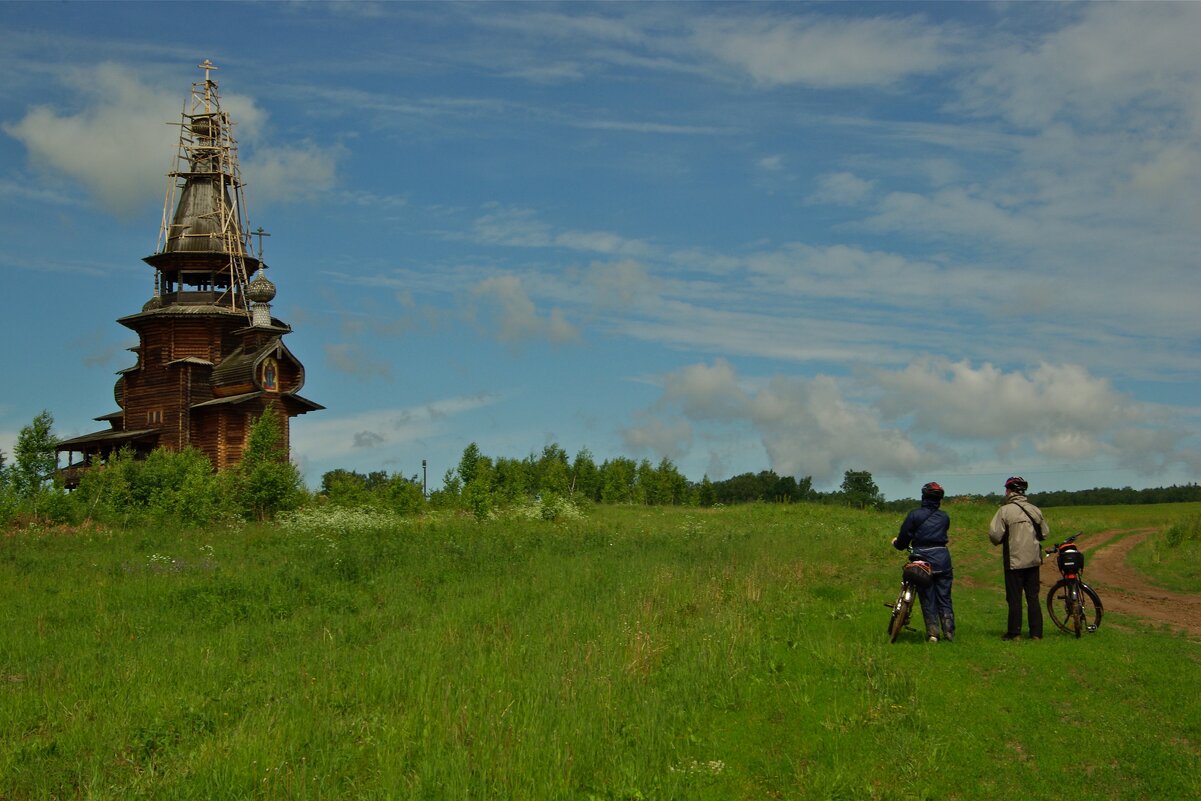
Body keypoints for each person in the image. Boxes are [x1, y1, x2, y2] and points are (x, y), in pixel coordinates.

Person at [988, 476, 1049, 641]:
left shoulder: (1004, 511)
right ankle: (1036, 633)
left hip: (1014, 561)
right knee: (1033, 597)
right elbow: (1045, 533)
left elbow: (994, 536)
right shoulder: (1035, 510)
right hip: (1033, 560)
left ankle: (1014, 633)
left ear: (1009, 491)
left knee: (1014, 598)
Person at [892, 481, 954, 642]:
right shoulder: (944, 517)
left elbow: (904, 537)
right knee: (944, 597)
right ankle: (949, 633)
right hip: (943, 559)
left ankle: (933, 633)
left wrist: (897, 544)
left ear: (923, 496)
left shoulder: (914, 515)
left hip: (922, 560)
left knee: (927, 596)